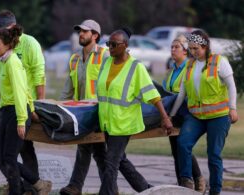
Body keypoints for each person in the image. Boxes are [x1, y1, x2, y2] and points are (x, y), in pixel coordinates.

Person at [97, 28, 173, 195]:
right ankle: (146, 190)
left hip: (124, 123)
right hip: (108, 121)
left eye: (114, 44)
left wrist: (165, 118)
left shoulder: (136, 68)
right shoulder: (107, 63)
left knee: (110, 164)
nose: (109, 47)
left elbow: (153, 95)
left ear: (124, 45)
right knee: (120, 160)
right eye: (108, 43)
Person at [169, 30, 238, 195]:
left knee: (213, 154)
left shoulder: (219, 62)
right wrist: (170, 115)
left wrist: (233, 108)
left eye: (196, 48)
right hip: (197, 116)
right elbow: (182, 93)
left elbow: (231, 86)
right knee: (183, 143)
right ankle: (186, 182)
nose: (193, 52)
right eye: (191, 48)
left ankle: (215, 190)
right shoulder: (190, 65)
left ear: (205, 45)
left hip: (219, 116)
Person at [0, 9, 46, 193]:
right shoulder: (2, 53)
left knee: (23, 148)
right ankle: (15, 181)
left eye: (2, 31)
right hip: (6, 105)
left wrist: (40, 107)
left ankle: (31, 186)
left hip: (24, 105)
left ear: (12, 28)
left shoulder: (29, 44)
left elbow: (39, 75)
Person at [59, 19, 108, 195]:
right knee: (92, 149)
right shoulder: (74, 59)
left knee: (94, 150)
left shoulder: (105, 56)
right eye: (80, 31)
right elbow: (68, 89)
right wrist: (60, 108)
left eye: (85, 31)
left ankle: (77, 186)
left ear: (95, 36)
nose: (81, 34)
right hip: (81, 112)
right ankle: (100, 188)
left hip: (99, 111)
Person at [163, 34, 206, 193]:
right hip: (173, 113)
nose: (172, 50)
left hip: (186, 113)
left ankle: (197, 181)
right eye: (171, 47)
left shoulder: (190, 67)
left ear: (185, 52)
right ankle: (183, 183)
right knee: (176, 150)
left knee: (182, 147)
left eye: (176, 47)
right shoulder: (171, 70)